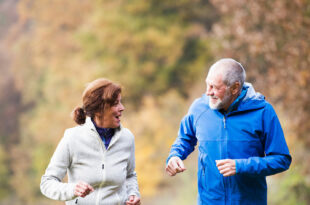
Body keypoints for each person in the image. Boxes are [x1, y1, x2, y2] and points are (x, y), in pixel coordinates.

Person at [165, 58, 291, 205]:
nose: (208, 92)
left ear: (235, 88)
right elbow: (184, 139)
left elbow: (281, 159)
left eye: (214, 87)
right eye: (207, 85)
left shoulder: (263, 111)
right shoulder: (198, 108)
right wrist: (175, 156)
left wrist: (240, 166)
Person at [40, 78, 141, 205]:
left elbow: (130, 175)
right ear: (99, 110)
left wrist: (133, 194)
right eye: (116, 104)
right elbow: (47, 182)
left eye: (120, 102)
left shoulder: (127, 138)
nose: (122, 108)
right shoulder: (72, 138)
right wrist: (72, 189)